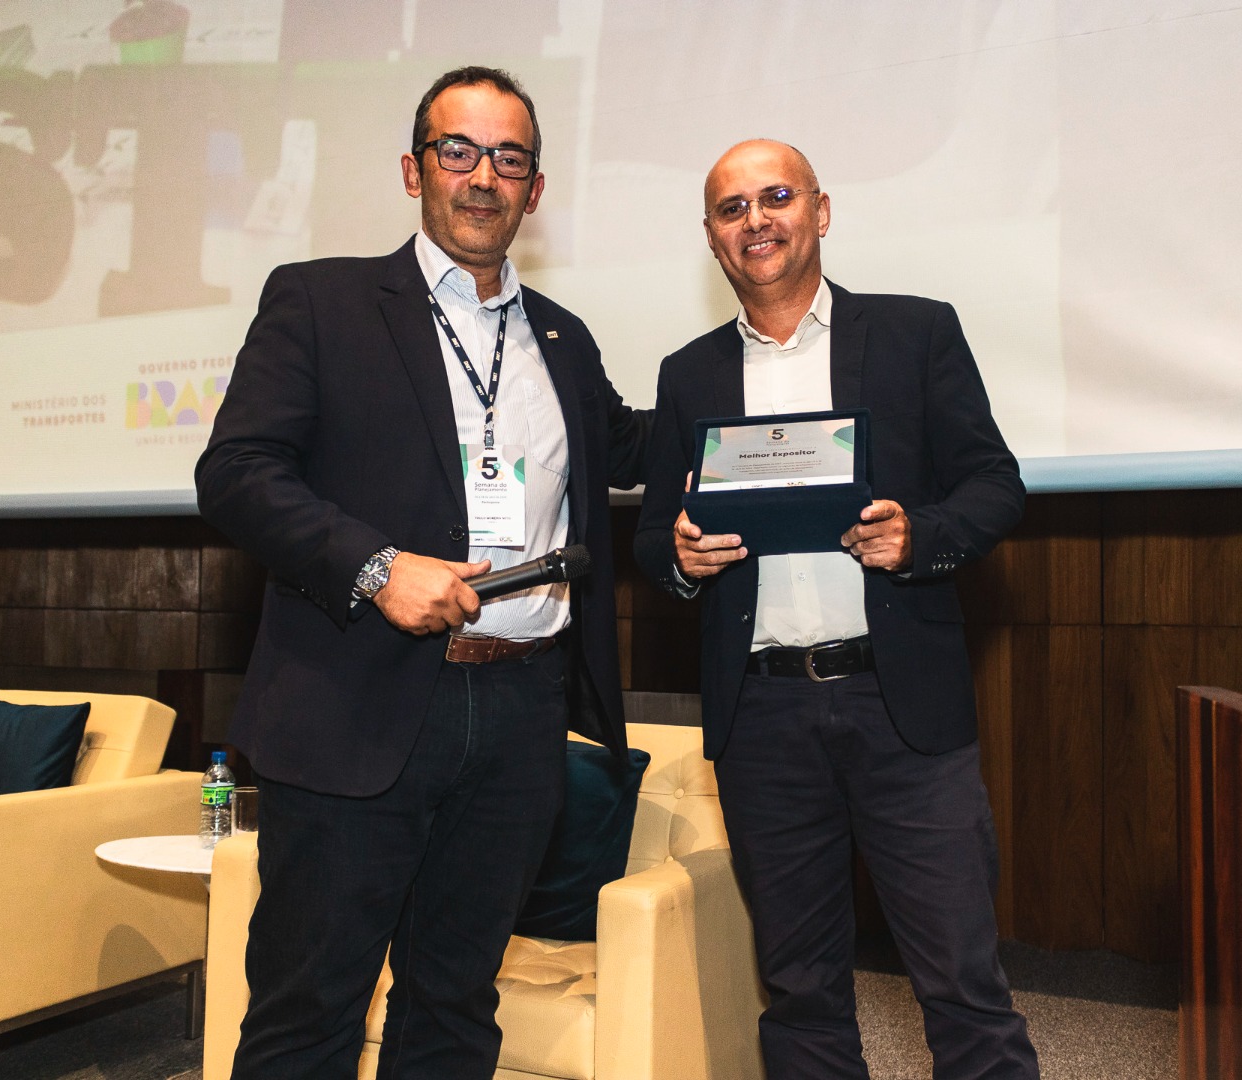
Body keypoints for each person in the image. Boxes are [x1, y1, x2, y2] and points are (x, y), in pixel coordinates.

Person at [196, 66, 647, 1080]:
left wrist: (772, 414)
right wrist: (376, 567)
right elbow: (235, 472)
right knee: (310, 1009)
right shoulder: (320, 300)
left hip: (521, 715)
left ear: (536, 189)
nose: (484, 176)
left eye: (510, 159)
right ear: (415, 170)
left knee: (454, 1007)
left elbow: (635, 451)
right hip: (357, 703)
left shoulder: (563, 339)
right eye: (459, 151)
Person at [633, 140, 1039, 1080]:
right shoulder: (688, 372)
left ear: (820, 210)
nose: (756, 220)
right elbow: (654, 533)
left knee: (962, 982)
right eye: (732, 208)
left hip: (900, 705)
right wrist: (680, 557)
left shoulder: (915, 333)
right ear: (712, 238)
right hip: (762, 719)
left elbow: (995, 485)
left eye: (776, 196)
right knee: (801, 991)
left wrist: (920, 535)